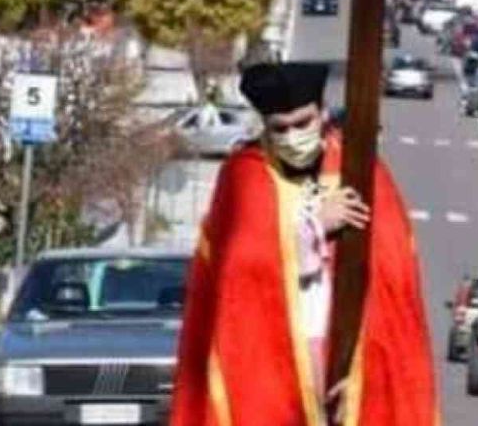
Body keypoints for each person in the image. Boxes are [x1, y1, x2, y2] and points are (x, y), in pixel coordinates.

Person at [170, 63, 437, 426]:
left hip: (350, 354)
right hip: (270, 352)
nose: (293, 135)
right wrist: (314, 227)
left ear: (322, 113)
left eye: (302, 123)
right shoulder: (245, 174)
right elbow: (240, 272)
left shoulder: (360, 169)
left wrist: (365, 374)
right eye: (280, 128)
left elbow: (392, 278)